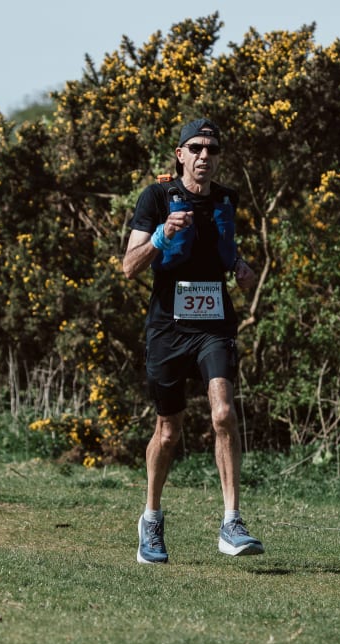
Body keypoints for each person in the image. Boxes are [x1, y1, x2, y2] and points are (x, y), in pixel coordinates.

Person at [122, 118, 264, 564]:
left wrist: (240, 268)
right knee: (168, 431)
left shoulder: (226, 199)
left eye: (213, 149)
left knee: (223, 412)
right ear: (180, 154)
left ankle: (232, 522)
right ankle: (151, 519)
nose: (205, 156)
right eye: (197, 148)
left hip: (214, 324)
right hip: (167, 327)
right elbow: (129, 266)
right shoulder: (156, 197)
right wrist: (162, 235)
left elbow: (222, 249)